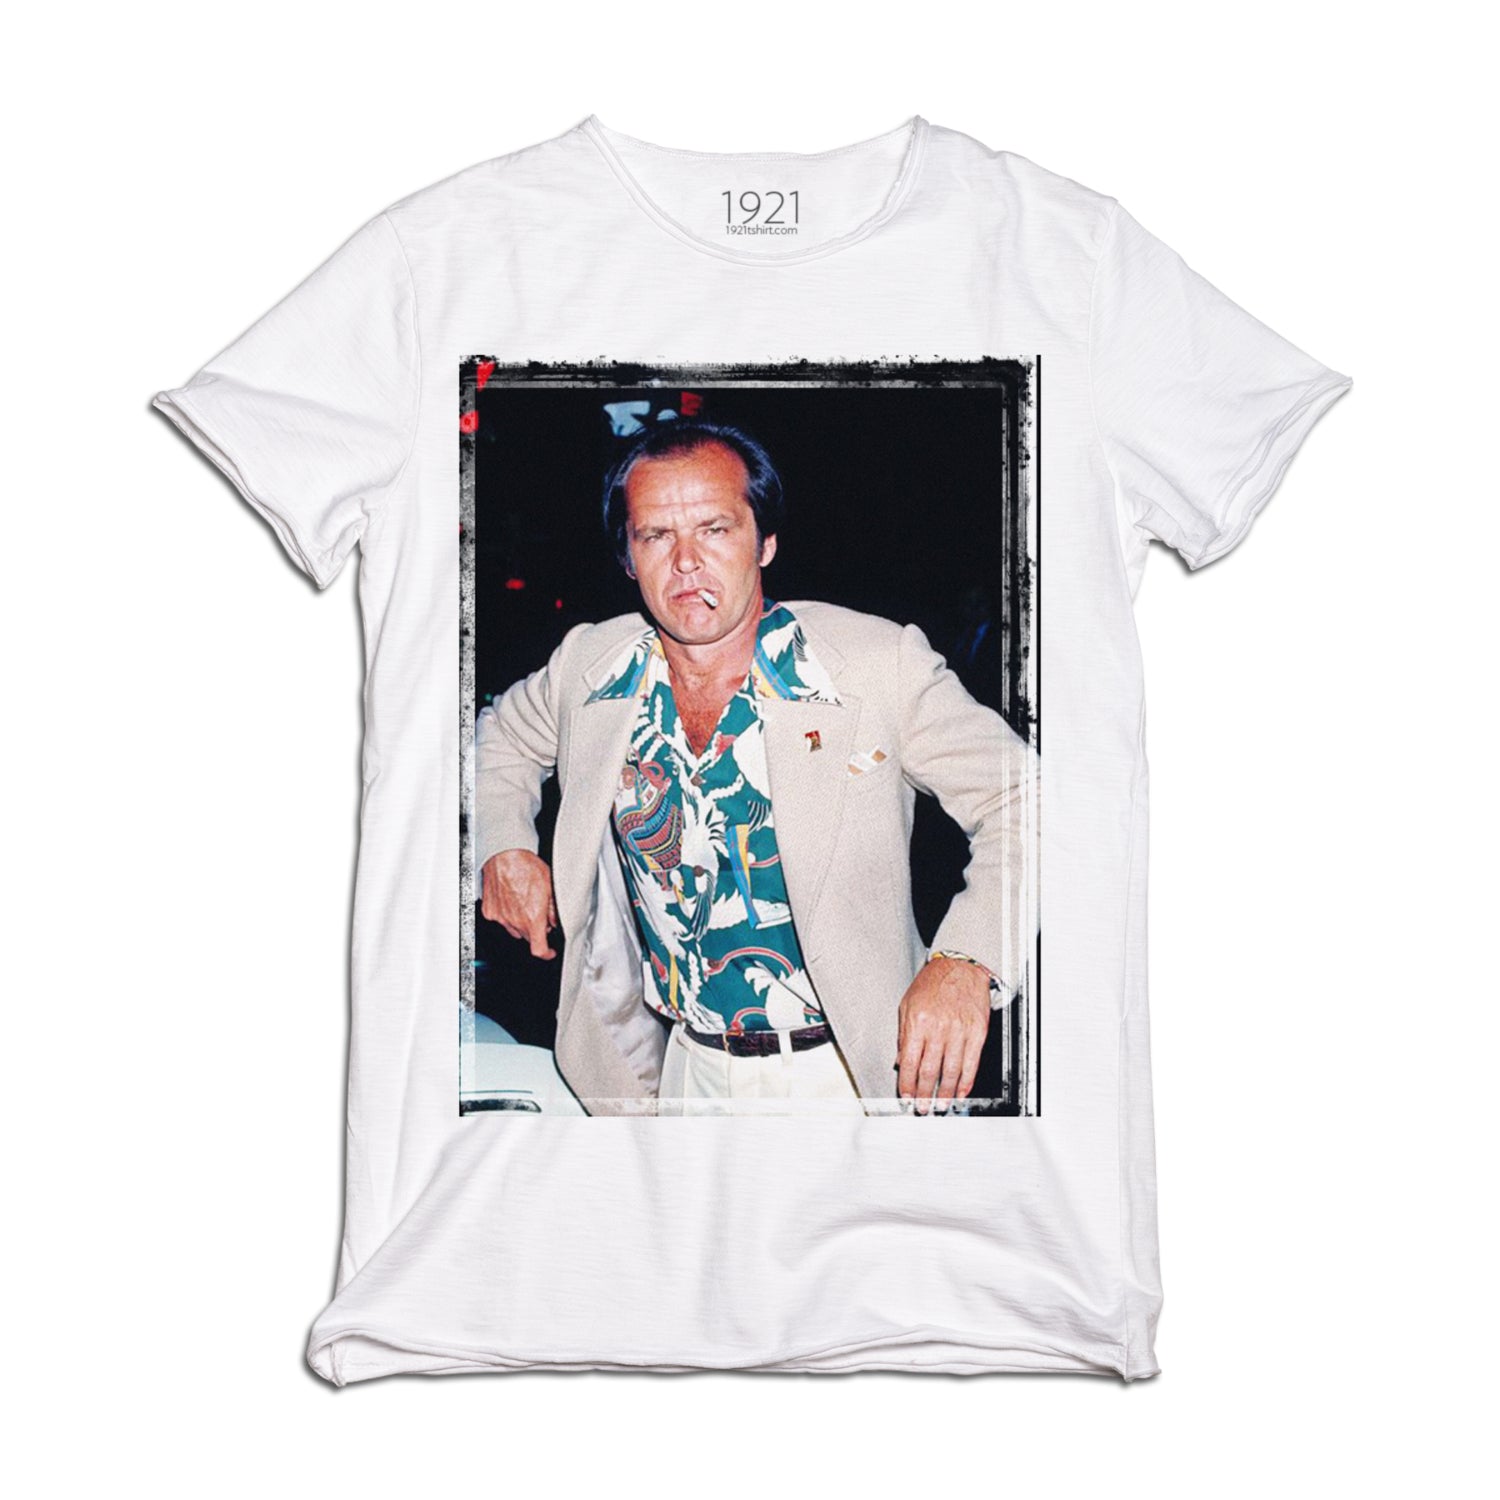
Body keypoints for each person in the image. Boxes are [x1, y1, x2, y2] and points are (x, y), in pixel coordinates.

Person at [474, 420, 1039, 1117]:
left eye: (715, 529)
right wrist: (504, 845)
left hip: (849, 1077)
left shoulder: (873, 666)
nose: (686, 561)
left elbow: (1025, 798)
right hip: (681, 1071)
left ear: (764, 541)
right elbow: (499, 739)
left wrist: (967, 960)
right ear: (627, 557)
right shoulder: (592, 668)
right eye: (655, 535)